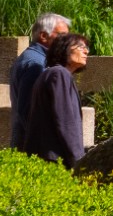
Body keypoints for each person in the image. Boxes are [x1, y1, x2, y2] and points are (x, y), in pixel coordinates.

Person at [20, 31, 90, 166]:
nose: (86, 51)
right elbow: (65, 120)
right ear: (64, 49)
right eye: (80, 46)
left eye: (86, 48)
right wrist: (78, 161)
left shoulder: (52, 73)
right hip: (54, 159)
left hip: (46, 157)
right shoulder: (59, 74)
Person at [9, 12, 70, 151]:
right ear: (43, 36)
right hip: (34, 149)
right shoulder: (36, 64)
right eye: (63, 36)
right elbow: (29, 112)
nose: (68, 41)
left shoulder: (34, 58)